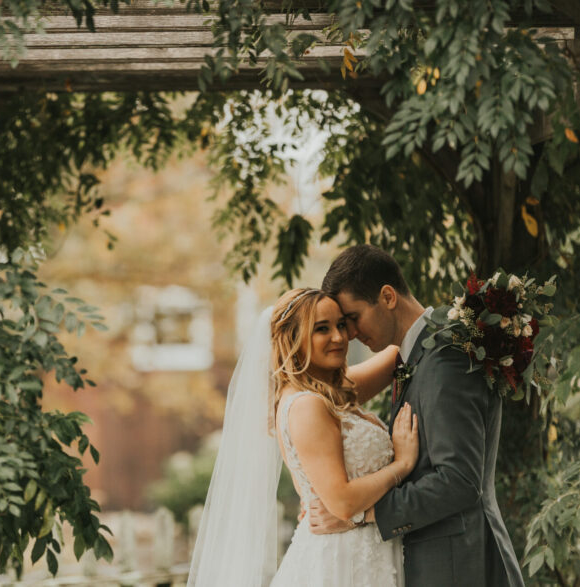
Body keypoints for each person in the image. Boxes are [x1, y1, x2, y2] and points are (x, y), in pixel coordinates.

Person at [309, 244, 524, 587]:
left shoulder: (444, 357)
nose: (349, 333)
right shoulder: (419, 355)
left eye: (352, 318)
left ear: (388, 296)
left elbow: (459, 480)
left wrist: (365, 515)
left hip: (462, 567)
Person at [188, 287, 418, 586]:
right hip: (341, 563)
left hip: (366, 553)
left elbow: (401, 351)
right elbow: (343, 502)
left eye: (341, 325)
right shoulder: (307, 405)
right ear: (292, 340)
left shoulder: (331, 392)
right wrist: (402, 465)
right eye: (321, 329)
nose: (339, 337)